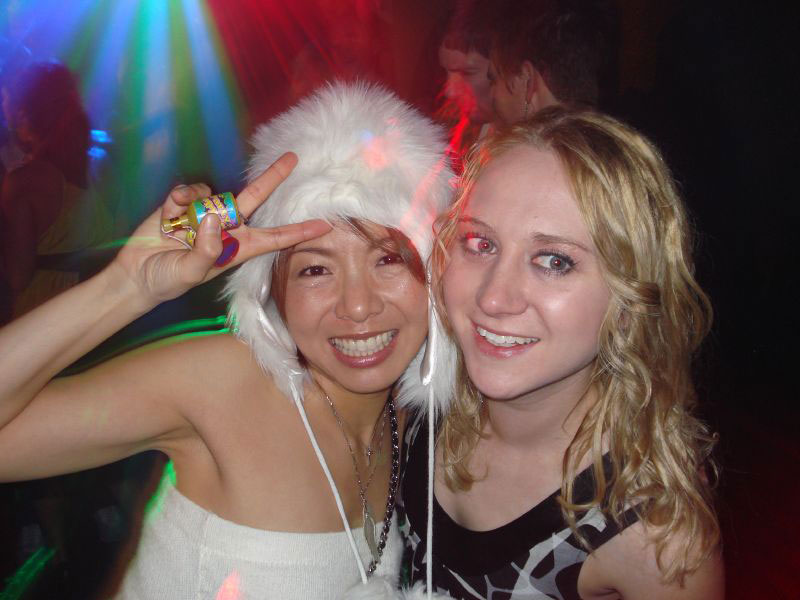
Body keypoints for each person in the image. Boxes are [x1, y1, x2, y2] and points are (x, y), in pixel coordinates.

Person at [0, 81, 455, 599]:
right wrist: (125, 288)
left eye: (388, 259)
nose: (357, 306)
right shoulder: (224, 382)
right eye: (315, 270)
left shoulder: (416, 424)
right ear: (274, 290)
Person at [399, 107, 723, 599]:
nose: (494, 298)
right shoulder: (416, 406)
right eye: (480, 243)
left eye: (554, 261)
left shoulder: (655, 536)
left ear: (631, 300)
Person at [0, 59, 112, 321]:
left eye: (4, 99)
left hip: (50, 317)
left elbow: (17, 277)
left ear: (23, 115)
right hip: (103, 309)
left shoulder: (25, 181)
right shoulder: (101, 161)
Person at [486, 0, 616, 126]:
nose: (490, 96)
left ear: (527, 80)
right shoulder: (615, 137)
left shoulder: (532, 141)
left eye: (494, 80)